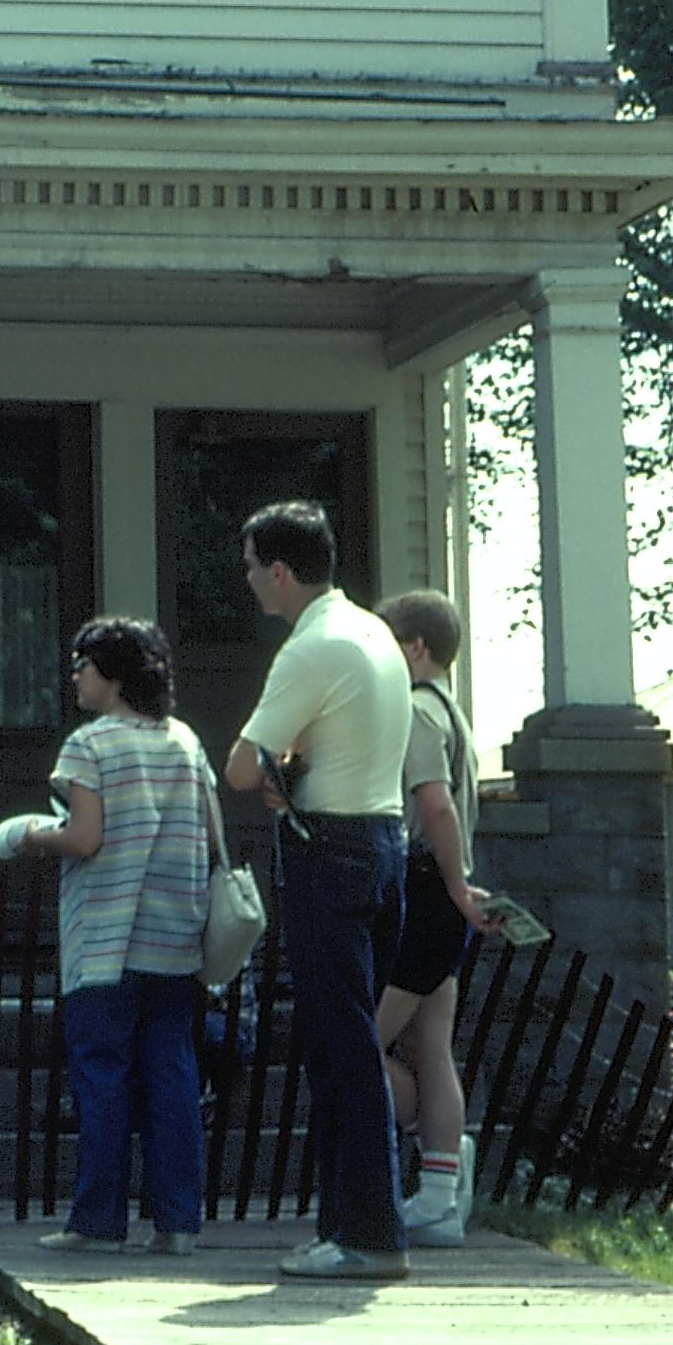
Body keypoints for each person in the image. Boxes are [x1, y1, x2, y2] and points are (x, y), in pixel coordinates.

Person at [219, 501, 415, 1281]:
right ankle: (347, 1226)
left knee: (341, 1051)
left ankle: (369, 1236)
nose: (247, 583)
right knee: (351, 1042)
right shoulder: (372, 632)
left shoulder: (309, 648)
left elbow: (239, 766)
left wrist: (276, 771)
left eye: (249, 568)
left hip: (327, 853)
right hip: (383, 844)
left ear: (278, 571)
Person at [0, 616, 211, 1256]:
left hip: (108, 937)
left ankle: (97, 1220)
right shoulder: (184, 741)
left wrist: (30, 836)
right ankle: (178, 1224)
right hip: (176, 933)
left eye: (83, 663)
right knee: (172, 1075)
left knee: (103, 1076)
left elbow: (85, 839)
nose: (75, 675)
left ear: (111, 674)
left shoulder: (90, 746)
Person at [373, 588, 490, 1248]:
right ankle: (441, 1188)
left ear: (415, 648)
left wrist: (453, 889)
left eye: (389, 644)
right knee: (429, 1046)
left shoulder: (417, 711)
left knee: (358, 1046)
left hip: (426, 892)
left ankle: (410, 1176)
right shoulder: (453, 712)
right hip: (444, 899)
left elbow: (436, 808)